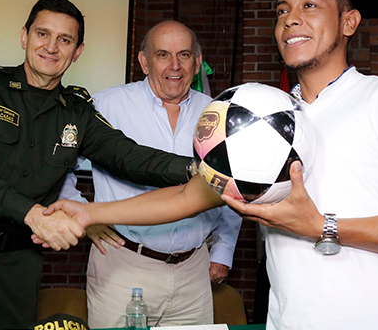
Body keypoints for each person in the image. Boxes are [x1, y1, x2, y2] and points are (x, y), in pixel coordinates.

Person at [43, 0, 378, 330]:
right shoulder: (261, 118)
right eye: (282, 10)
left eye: (309, 6)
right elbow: (188, 196)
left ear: (349, 22)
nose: (290, 19)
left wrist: (323, 226)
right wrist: (89, 214)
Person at [0, 0, 195, 330]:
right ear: (24, 36)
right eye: (43, 34)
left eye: (65, 40)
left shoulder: (78, 111)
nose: (52, 47)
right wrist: (32, 214)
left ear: (78, 51)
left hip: (17, 263)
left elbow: (128, 155)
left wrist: (198, 169)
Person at [60, 21, 242, 327]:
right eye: (162, 55)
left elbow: (233, 183)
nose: (175, 66)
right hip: (123, 263)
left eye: (184, 55)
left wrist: (223, 250)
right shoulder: (106, 105)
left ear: (198, 62)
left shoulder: (218, 112)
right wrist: (85, 217)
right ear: (144, 62)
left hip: (194, 271)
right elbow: (60, 167)